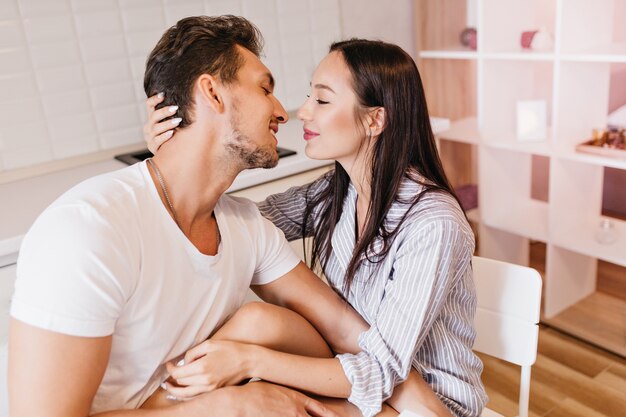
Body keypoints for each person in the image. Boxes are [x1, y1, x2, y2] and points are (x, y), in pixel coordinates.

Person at [7, 15, 402, 417]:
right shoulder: (87, 232)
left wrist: (420, 405)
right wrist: (228, 406)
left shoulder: (244, 226)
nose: (284, 113)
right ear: (212, 94)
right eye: (266, 88)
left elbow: (342, 330)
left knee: (266, 323)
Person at [143, 37, 487, 417]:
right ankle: (146, 410)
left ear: (375, 119)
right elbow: (241, 226)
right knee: (256, 323)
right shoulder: (336, 191)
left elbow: (381, 372)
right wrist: (177, 156)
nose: (303, 112)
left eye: (322, 101)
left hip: (425, 401)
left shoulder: (433, 223)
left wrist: (249, 362)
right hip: (356, 377)